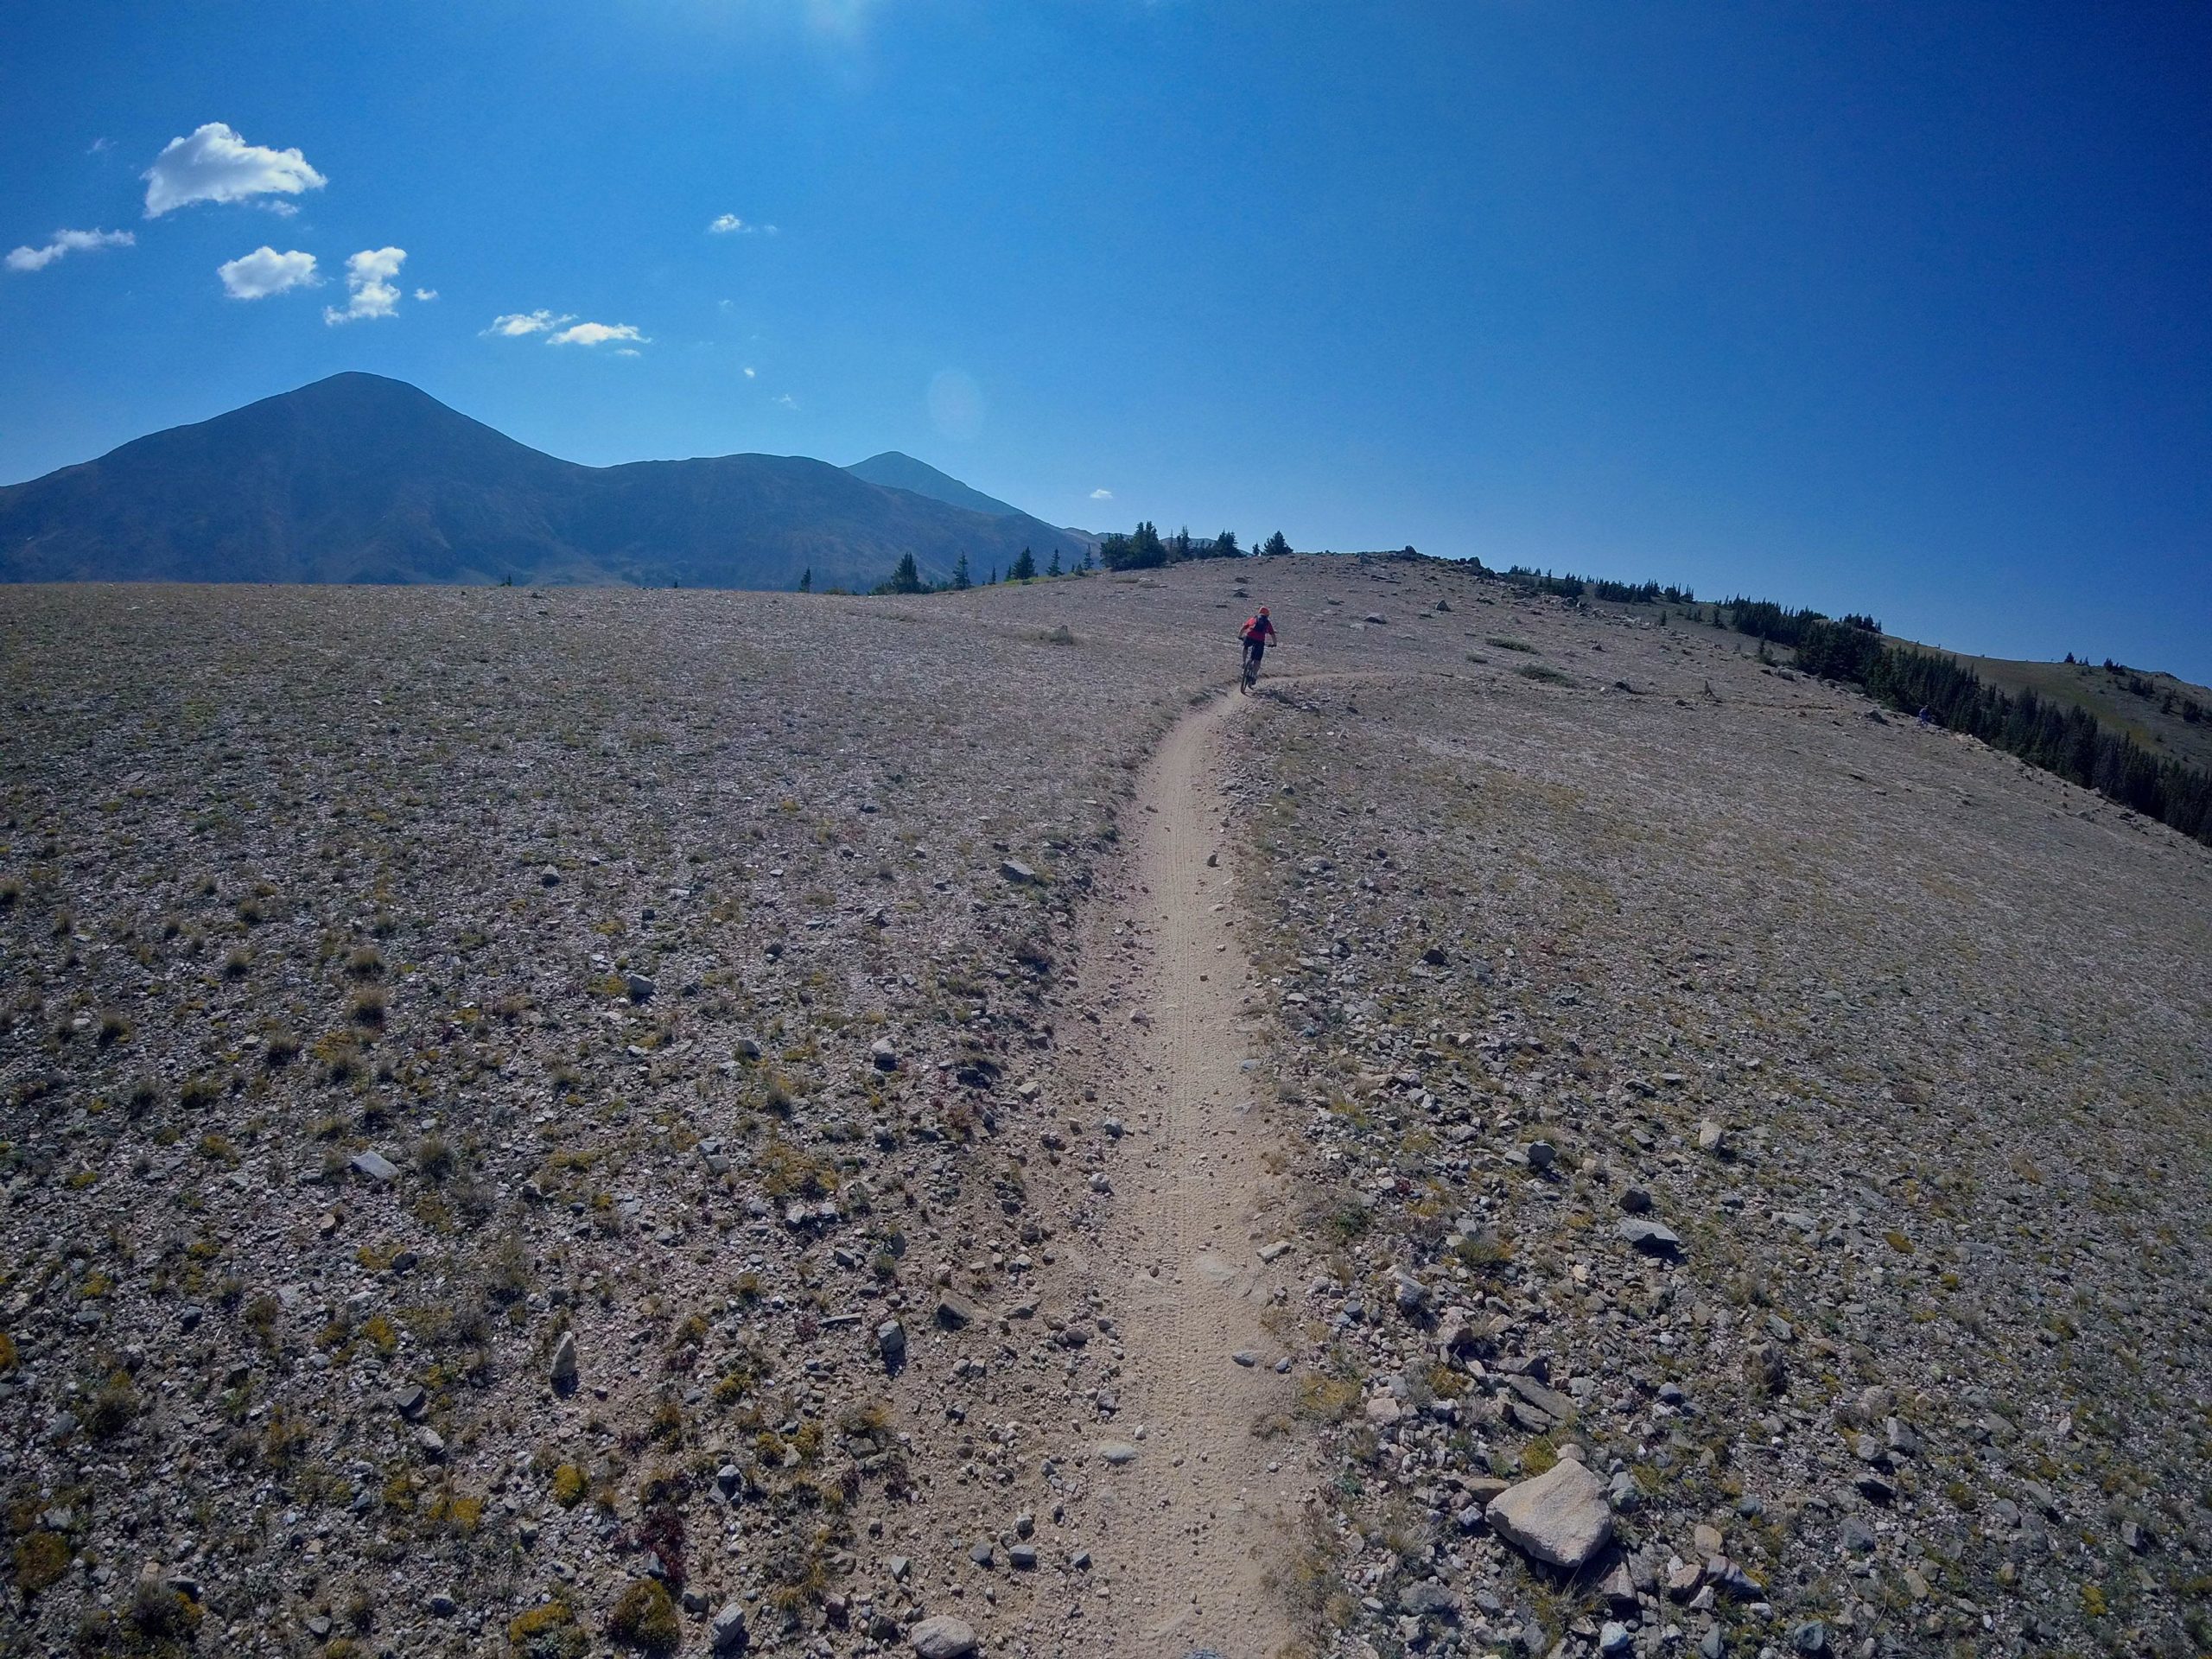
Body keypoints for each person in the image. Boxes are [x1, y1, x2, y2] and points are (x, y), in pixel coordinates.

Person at [1238, 607, 1278, 690]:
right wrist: (1274, 644)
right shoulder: (1267, 623)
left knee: (1245, 647)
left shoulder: (1253, 619)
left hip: (1250, 636)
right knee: (1258, 660)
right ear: (1267, 615)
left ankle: (1243, 661)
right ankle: (1254, 675)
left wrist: (1240, 636)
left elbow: (1244, 627)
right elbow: (1272, 634)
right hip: (1260, 640)